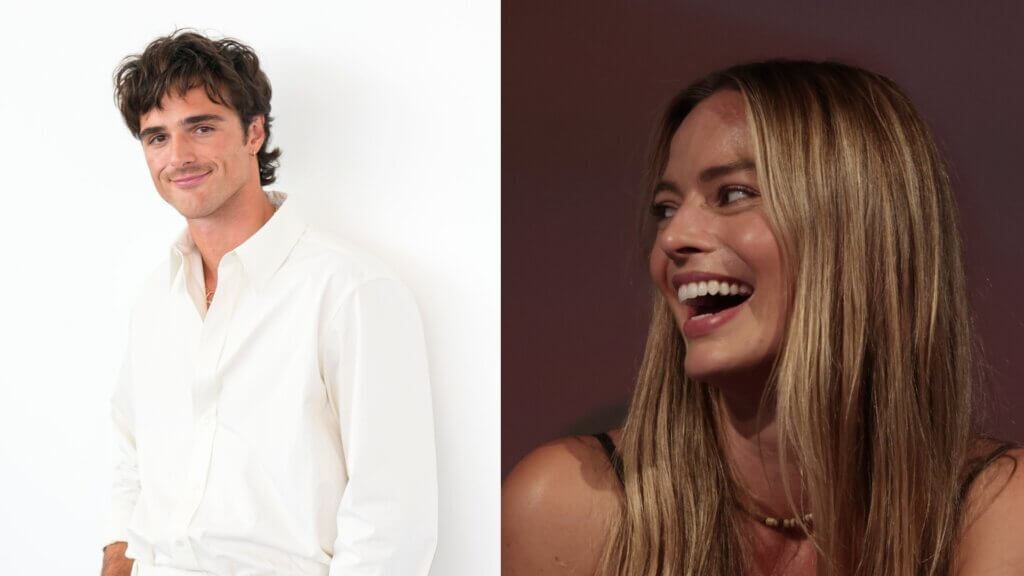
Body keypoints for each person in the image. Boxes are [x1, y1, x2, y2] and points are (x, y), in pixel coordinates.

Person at [502, 60, 1024, 575]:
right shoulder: (566, 509)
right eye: (666, 208)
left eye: (733, 194)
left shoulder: (997, 511)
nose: (672, 238)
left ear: (858, 230)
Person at [102, 30, 437, 576]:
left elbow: (391, 521)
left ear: (254, 131)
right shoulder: (156, 298)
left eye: (201, 128)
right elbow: (129, 449)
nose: (178, 157)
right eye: (157, 137)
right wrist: (118, 553)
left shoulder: (350, 291)